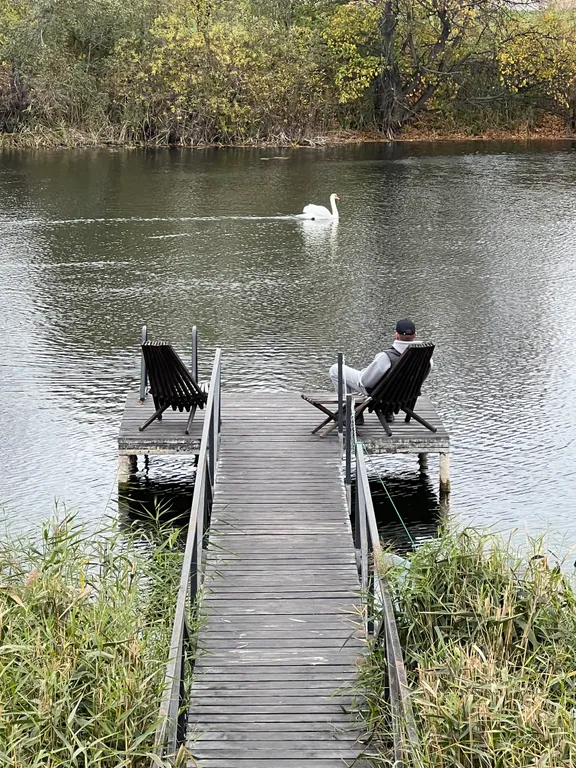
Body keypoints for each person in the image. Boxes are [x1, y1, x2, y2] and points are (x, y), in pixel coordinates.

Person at [329, 318, 432, 399]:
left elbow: (365, 383)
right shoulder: (426, 359)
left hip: (382, 396)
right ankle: (387, 413)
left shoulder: (386, 358)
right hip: (403, 395)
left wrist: (364, 372)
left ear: (396, 335)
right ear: (415, 335)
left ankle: (347, 409)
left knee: (336, 369)